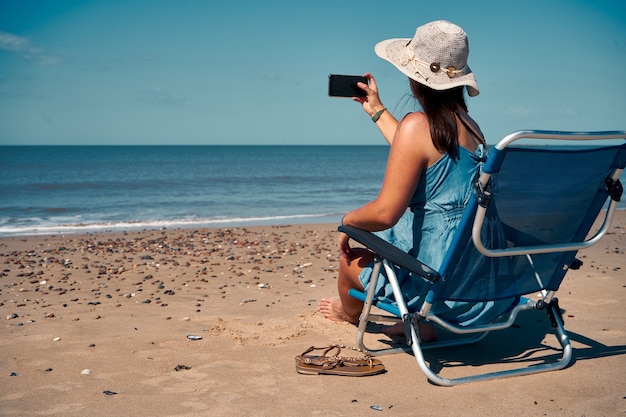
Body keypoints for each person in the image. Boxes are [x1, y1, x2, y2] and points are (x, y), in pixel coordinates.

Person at [319, 20, 488, 341]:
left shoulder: (418, 125)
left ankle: (348, 315)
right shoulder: (472, 127)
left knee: (349, 262)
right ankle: (425, 324)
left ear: (415, 77)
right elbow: (422, 151)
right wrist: (377, 110)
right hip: (469, 281)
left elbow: (385, 215)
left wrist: (347, 222)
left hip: (431, 280)